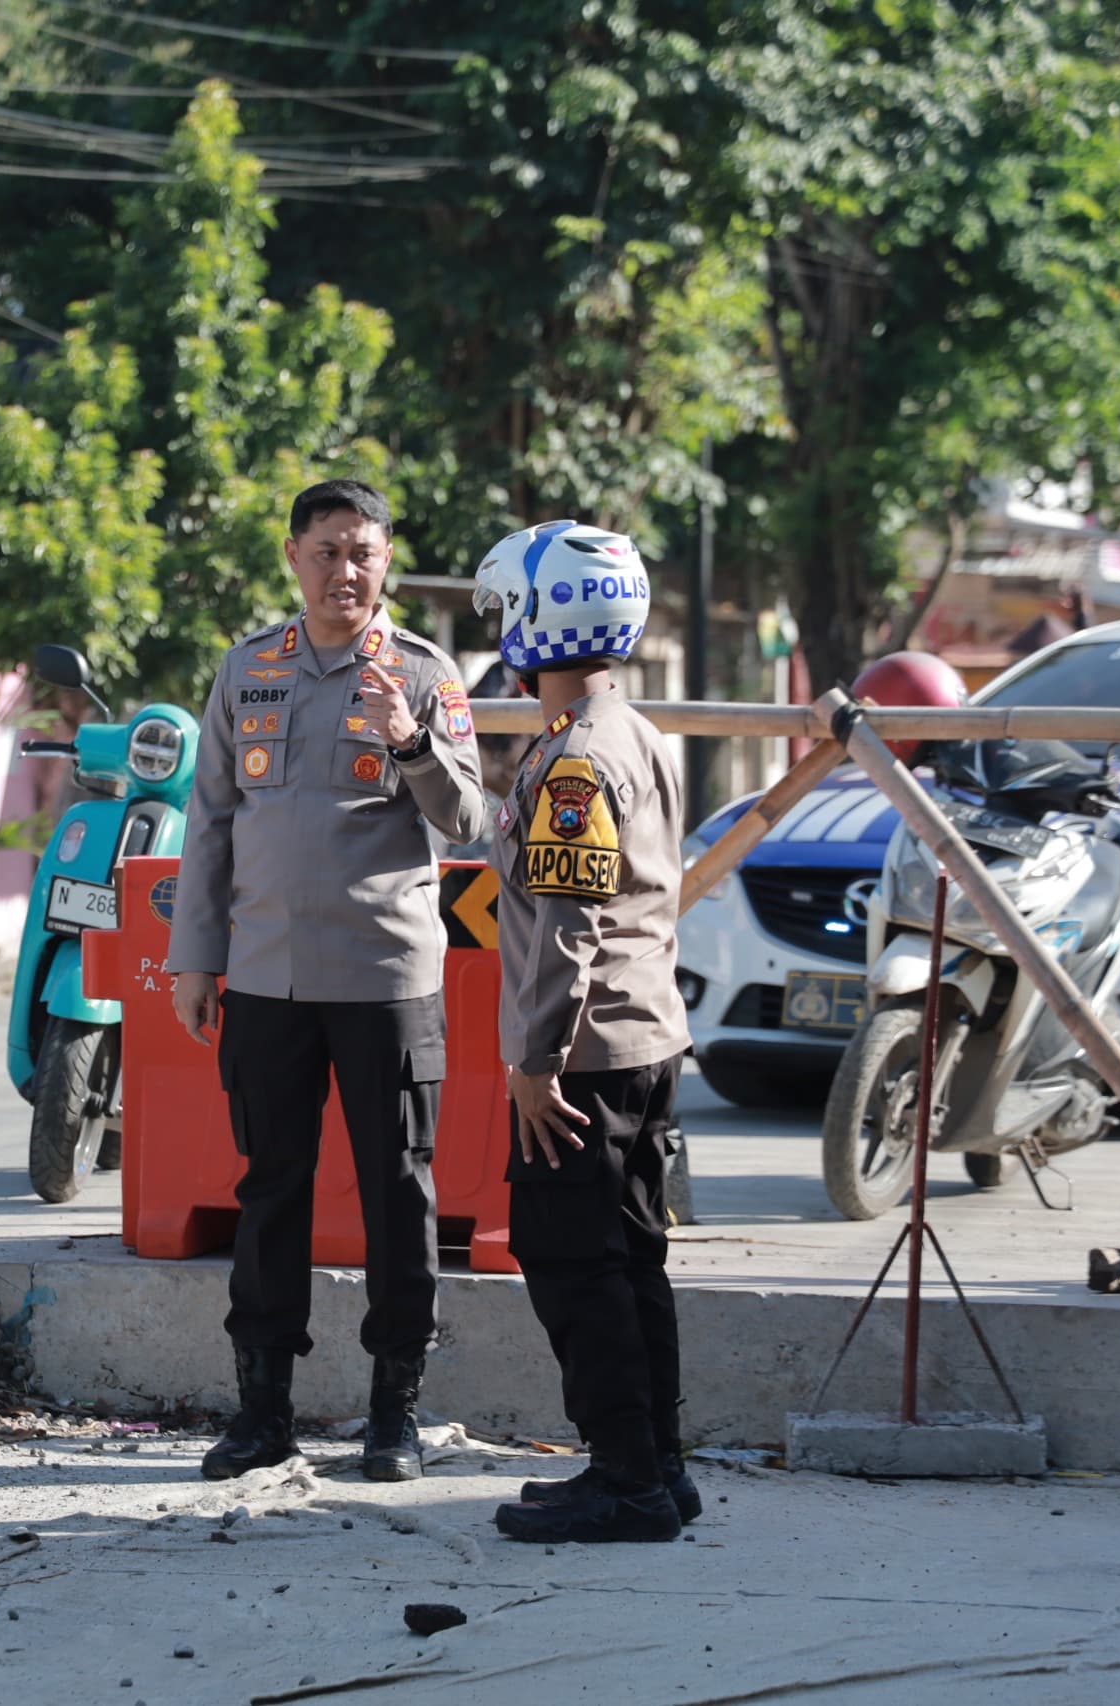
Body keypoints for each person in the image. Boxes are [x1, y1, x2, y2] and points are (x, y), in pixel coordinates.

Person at [164, 479, 488, 1483]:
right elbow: (210, 820)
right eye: (326, 550)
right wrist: (194, 956)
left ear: (386, 560)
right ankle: (262, 1408)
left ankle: (393, 1408)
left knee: (398, 1190)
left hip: (385, 976)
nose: (344, 570)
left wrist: (410, 740)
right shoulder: (246, 669)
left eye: (363, 552)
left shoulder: (426, 677)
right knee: (269, 1189)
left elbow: (470, 820)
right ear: (292, 555)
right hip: (264, 977)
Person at [471, 519, 699, 1545]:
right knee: (631, 1255)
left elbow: (567, 925)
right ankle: (660, 1463)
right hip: (644, 1036)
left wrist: (533, 1063)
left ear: (536, 618)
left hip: (584, 1053)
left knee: (569, 1259)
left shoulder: (575, 763)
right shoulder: (630, 732)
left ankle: (626, 1479)